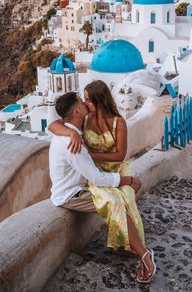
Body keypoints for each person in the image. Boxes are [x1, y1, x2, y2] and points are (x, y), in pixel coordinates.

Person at [49, 89, 156, 283]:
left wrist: (72, 133)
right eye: (82, 102)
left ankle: (131, 246)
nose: (85, 104)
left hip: (81, 185)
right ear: (76, 112)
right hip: (70, 194)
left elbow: (56, 124)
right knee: (115, 201)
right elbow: (97, 178)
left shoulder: (74, 133)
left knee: (121, 197)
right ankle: (144, 255)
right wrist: (129, 180)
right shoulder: (73, 144)